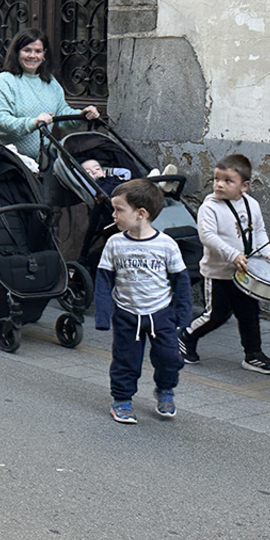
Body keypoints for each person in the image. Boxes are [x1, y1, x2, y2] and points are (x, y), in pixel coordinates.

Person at [95, 179, 191, 424]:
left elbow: (181, 281)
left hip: (161, 313)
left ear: (141, 213)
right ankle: (122, 400)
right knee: (125, 360)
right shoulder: (114, 243)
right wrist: (103, 316)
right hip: (127, 314)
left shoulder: (166, 245)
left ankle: (165, 389)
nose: (113, 215)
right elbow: (104, 280)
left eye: (119, 210)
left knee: (169, 358)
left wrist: (183, 316)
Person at [178, 154, 270, 374]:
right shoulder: (210, 207)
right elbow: (207, 236)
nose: (219, 184)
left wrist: (267, 254)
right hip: (219, 273)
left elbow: (259, 232)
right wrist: (233, 254)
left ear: (244, 186)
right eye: (216, 179)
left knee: (249, 314)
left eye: (228, 181)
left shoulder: (252, 204)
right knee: (216, 315)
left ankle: (253, 354)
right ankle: (186, 336)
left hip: (246, 274)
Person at [0, 28, 99, 159]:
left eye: (38, 51)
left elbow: (62, 113)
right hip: (11, 160)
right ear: (17, 52)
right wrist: (33, 123)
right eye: (27, 50)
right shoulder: (4, 81)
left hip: (43, 162)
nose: (32, 56)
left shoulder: (50, 82)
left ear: (44, 54)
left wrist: (82, 115)